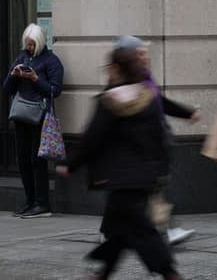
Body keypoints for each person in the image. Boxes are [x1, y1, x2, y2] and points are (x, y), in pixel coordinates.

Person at [56, 48, 180, 280]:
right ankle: (103, 273)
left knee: (140, 229)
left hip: (120, 178)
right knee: (120, 228)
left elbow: (92, 138)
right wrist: (161, 170)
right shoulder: (149, 97)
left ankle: (169, 273)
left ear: (115, 69)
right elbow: (159, 136)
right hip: (146, 175)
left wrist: (70, 164)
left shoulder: (110, 100)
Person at [115, 35, 201, 246]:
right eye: (140, 54)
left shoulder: (145, 77)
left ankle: (117, 231)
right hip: (141, 146)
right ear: (129, 56)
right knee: (151, 188)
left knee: (151, 189)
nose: (145, 57)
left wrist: (187, 113)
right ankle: (165, 230)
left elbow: (159, 103)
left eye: (145, 53)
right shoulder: (127, 82)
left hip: (155, 141)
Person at [3, 23, 64, 218]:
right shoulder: (21, 58)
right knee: (23, 159)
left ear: (40, 42)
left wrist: (36, 78)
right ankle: (30, 201)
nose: (29, 47)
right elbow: (7, 89)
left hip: (40, 117)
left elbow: (55, 90)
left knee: (37, 160)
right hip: (22, 115)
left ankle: (42, 203)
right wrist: (14, 75)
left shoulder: (51, 61)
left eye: (32, 44)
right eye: (27, 44)